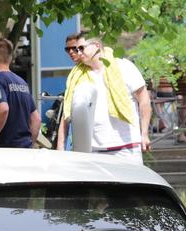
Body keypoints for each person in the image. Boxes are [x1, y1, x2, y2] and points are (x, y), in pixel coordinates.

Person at [61, 34, 151, 163]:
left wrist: (144, 134)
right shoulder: (77, 76)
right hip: (93, 150)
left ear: (96, 45)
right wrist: (61, 146)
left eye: (81, 48)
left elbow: (144, 100)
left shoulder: (123, 66)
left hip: (126, 147)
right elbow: (67, 112)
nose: (78, 52)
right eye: (76, 49)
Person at [0, 38, 40, 148]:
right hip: (25, 151)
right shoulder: (22, 83)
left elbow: (3, 109)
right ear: (10, 58)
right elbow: (36, 119)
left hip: (4, 152)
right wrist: (29, 145)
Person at [56, 31, 89, 150]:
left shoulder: (92, 71)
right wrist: (60, 143)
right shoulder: (75, 72)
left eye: (74, 48)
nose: (70, 52)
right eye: (67, 49)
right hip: (73, 126)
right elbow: (67, 109)